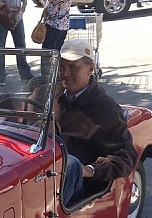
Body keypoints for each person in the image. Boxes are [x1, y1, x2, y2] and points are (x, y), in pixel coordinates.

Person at [53, 39, 138, 205]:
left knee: (70, 163)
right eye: (62, 67)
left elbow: (125, 157)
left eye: (73, 67)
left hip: (75, 183)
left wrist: (90, 170)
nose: (65, 74)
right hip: (44, 170)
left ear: (90, 69)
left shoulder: (107, 109)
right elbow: (19, 112)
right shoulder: (48, 93)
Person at [40, 0, 73, 76]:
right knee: (58, 52)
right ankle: (58, 76)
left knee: (48, 54)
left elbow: (50, 10)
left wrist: (42, 1)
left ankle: (47, 78)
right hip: (64, 24)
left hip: (53, 25)